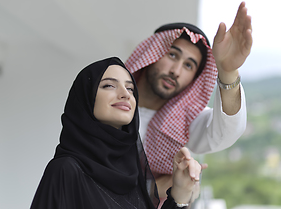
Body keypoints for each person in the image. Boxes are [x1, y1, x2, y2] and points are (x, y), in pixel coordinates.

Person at [30, 57, 204, 209]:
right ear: (86, 98)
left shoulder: (131, 173)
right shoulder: (65, 170)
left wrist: (180, 194)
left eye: (130, 89)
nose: (125, 95)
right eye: (109, 85)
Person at [125, 2, 252, 198]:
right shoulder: (107, 101)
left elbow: (226, 131)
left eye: (189, 66)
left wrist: (228, 71)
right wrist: (156, 188)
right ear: (153, 54)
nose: (175, 71)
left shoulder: (184, 121)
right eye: (172, 55)